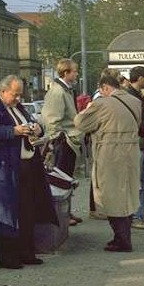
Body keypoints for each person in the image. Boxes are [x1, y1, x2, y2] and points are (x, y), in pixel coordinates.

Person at [0, 75, 58, 269]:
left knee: (27, 211)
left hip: (26, 167)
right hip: (3, 170)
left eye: (20, 94)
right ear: (3, 91)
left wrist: (37, 129)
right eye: (15, 94)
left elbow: (29, 127)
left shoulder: (18, 108)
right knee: (6, 214)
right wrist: (13, 131)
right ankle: (8, 258)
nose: (18, 98)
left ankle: (27, 252)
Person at [74, 72, 141, 252]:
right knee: (128, 194)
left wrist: (87, 108)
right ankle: (123, 236)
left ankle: (122, 239)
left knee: (111, 195)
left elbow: (80, 123)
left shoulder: (102, 104)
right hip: (131, 152)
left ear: (105, 87)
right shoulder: (135, 101)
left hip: (110, 153)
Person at [41, 58, 84, 226]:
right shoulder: (58, 92)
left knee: (66, 179)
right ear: (66, 73)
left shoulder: (66, 90)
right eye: (74, 71)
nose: (76, 73)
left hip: (68, 139)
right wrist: (55, 140)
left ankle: (67, 212)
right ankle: (62, 214)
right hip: (63, 141)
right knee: (61, 179)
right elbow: (52, 119)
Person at [125, 66, 144, 229]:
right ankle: (136, 215)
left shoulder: (137, 96)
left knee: (143, 181)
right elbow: (135, 121)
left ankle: (140, 214)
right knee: (138, 182)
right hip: (139, 143)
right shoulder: (132, 97)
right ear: (140, 78)